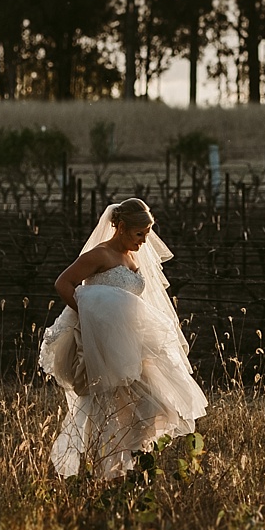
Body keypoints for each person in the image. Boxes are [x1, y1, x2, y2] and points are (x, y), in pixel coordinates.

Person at [39, 197, 207, 479]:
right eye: (139, 233)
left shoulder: (132, 257)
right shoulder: (100, 255)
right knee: (107, 405)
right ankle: (108, 471)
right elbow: (63, 283)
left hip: (131, 340)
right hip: (105, 343)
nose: (144, 240)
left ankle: (127, 460)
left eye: (148, 233)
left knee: (156, 402)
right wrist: (91, 316)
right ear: (121, 227)